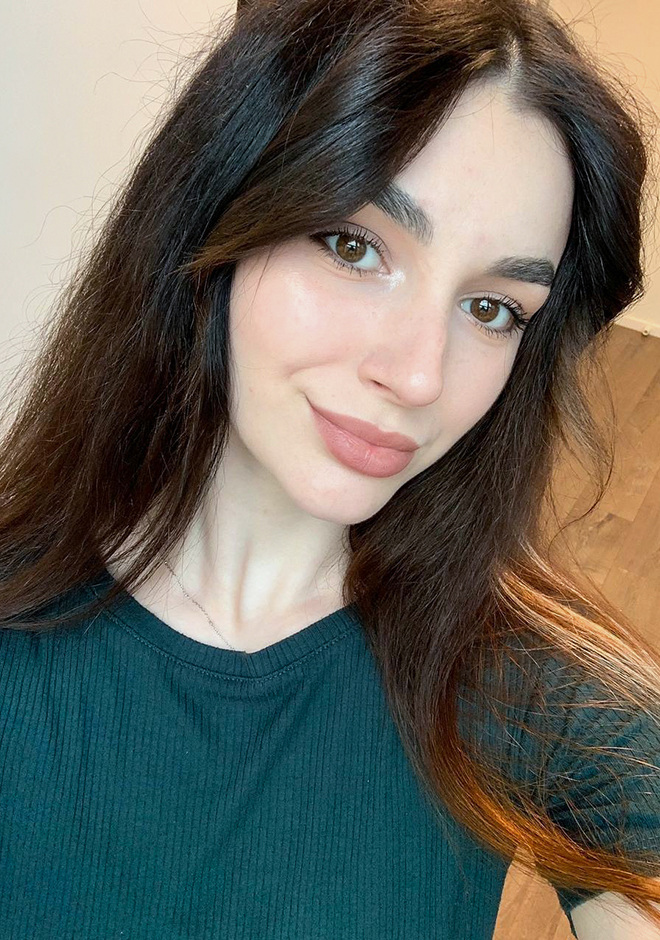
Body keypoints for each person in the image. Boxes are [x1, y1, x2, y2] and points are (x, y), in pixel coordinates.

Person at [0, 0, 659, 936]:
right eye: (355, 247)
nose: (419, 376)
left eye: (492, 308)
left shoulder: (505, 679)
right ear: (215, 214)